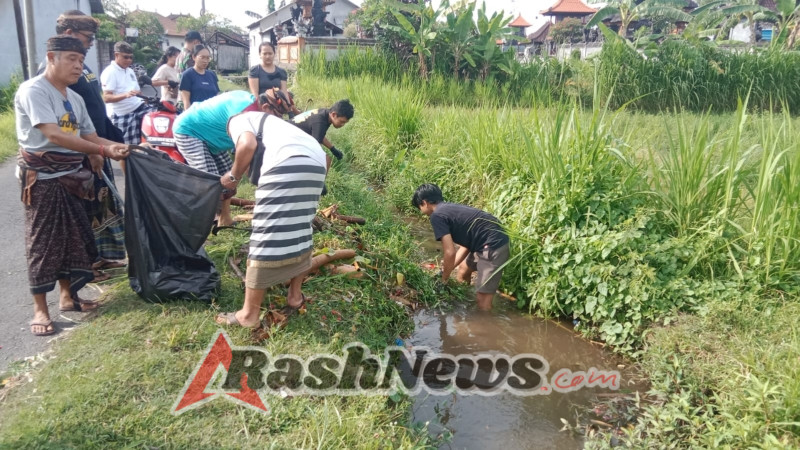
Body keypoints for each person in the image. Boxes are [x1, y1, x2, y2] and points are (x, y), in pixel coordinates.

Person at [15, 35, 130, 336]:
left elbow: (91, 138)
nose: (78, 66)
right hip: (42, 178)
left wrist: (120, 147)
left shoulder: (75, 98)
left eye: (81, 60)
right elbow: (53, 135)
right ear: (51, 58)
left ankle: (69, 297)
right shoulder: (34, 91)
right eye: (71, 59)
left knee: (76, 239)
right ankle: (40, 309)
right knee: (42, 244)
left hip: (73, 177)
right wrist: (103, 151)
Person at [215, 89, 326, 329]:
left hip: (289, 161)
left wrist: (232, 177)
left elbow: (246, 144)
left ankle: (248, 315)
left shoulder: (237, 120)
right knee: (300, 228)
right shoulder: (275, 125)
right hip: (316, 162)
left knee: (265, 233)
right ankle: (295, 297)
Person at [39, 11, 128, 280]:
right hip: (82, 151)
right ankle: (86, 264)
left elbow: (93, 106)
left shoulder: (82, 65)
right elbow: (64, 121)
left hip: (96, 144)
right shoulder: (54, 74)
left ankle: (101, 257)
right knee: (85, 209)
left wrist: (110, 140)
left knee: (102, 205)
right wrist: (91, 151)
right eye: (86, 37)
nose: (90, 44)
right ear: (68, 34)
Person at [412, 183, 510, 311]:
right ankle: (465, 306)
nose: (421, 211)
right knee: (463, 270)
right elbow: (466, 245)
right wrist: (447, 268)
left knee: (482, 302)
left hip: (493, 245)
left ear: (424, 203)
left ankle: (486, 323)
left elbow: (449, 252)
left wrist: (443, 280)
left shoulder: (436, 216)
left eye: (419, 206)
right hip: (487, 240)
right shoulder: (449, 209)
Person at [172, 90, 260, 226]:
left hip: (212, 133)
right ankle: (202, 220)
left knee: (226, 172)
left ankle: (224, 218)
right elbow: (246, 154)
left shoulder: (253, 105)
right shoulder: (245, 114)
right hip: (189, 129)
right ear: (266, 107)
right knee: (208, 178)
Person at [100, 41, 149, 146]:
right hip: (122, 114)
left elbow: (137, 91)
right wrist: (126, 95)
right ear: (116, 55)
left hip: (138, 108)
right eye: (126, 57)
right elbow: (106, 98)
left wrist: (144, 99)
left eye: (131, 58)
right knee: (126, 149)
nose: (129, 60)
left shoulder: (130, 71)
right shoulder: (110, 72)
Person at [291, 99, 354, 165]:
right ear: (334, 114)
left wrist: (333, 149)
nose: (342, 125)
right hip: (287, 138)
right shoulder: (320, 123)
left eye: (345, 123)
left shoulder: (324, 113)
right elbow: (315, 147)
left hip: (288, 131)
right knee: (326, 160)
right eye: (342, 122)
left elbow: (319, 134)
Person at [179, 44, 219, 109]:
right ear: (194, 57)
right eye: (202, 57)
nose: (205, 61)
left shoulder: (212, 75)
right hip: (196, 115)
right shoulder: (187, 75)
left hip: (212, 114)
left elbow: (217, 96)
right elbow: (186, 102)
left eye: (208, 58)